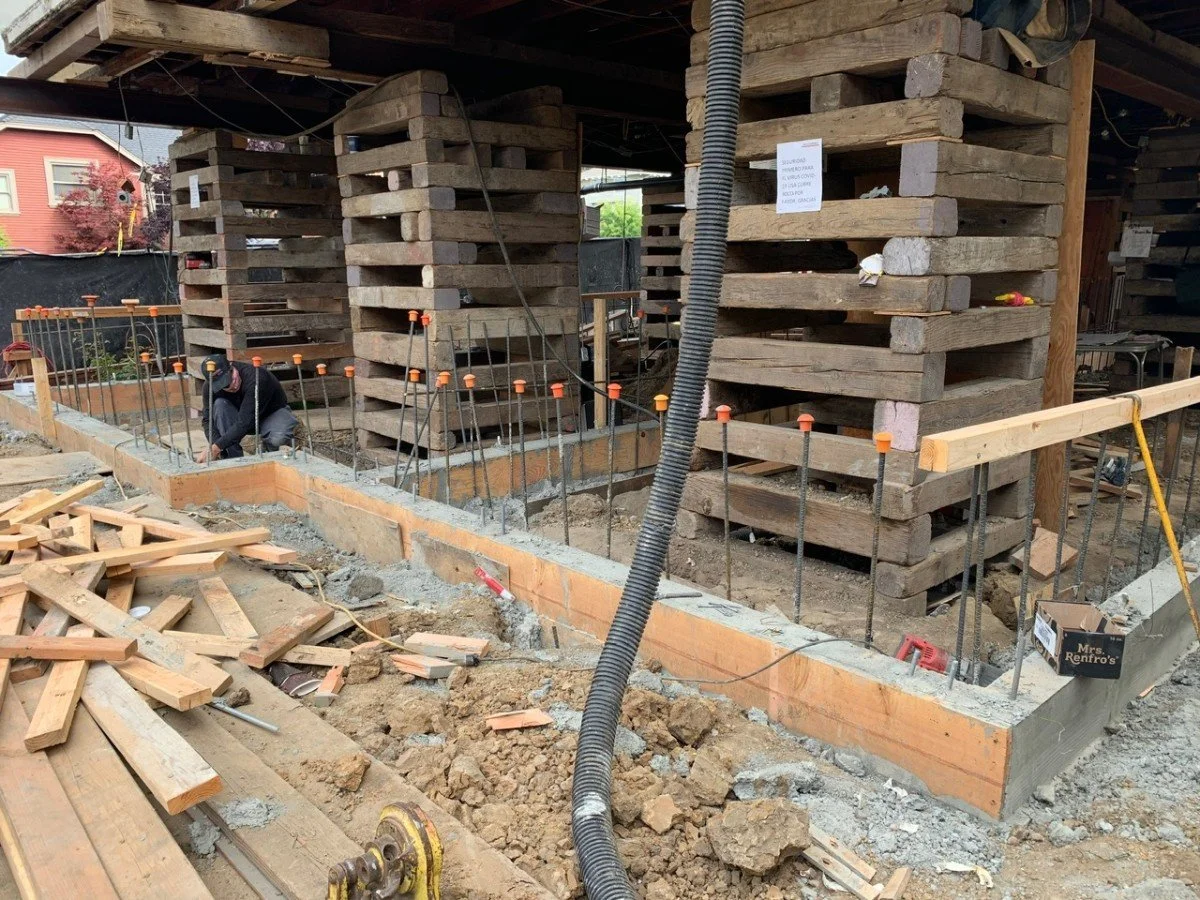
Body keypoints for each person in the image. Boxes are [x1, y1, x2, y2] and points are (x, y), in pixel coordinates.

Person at [196, 355, 298, 462]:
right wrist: (217, 447)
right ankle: (233, 460)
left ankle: (270, 453)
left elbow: (245, 421)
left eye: (228, 380)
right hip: (240, 417)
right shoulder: (209, 387)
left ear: (231, 367)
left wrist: (216, 447)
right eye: (222, 385)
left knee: (278, 439)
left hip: (270, 413)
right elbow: (207, 420)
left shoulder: (256, 378)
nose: (229, 386)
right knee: (220, 404)